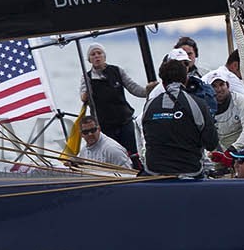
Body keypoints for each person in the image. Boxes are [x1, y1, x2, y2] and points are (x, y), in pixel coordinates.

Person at [80, 41, 154, 172]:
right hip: (104, 125)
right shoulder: (87, 77)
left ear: (104, 56)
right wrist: (88, 89)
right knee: (111, 155)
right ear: (89, 59)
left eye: (99, 53)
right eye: (93, 54)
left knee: (133, 153)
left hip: (124, 121)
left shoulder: (117, 71)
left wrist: (149, 91)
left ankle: (139, 174)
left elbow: (133, 88)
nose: (97, 56)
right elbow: (83, 97)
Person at [142, 56, 217, 177]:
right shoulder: (198, 104)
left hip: (154, 171)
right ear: (186, 79)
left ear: (163, 82)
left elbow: (147, 135)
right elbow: (211, 143)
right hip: (190, 171)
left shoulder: (149, 104)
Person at [68, 116, 134, 172]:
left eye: (93, 130)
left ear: (99, 129)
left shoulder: (112, 149)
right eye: (86, 132)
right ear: (81, 134)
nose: (90, 134)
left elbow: (128, 172)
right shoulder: (83, 151)